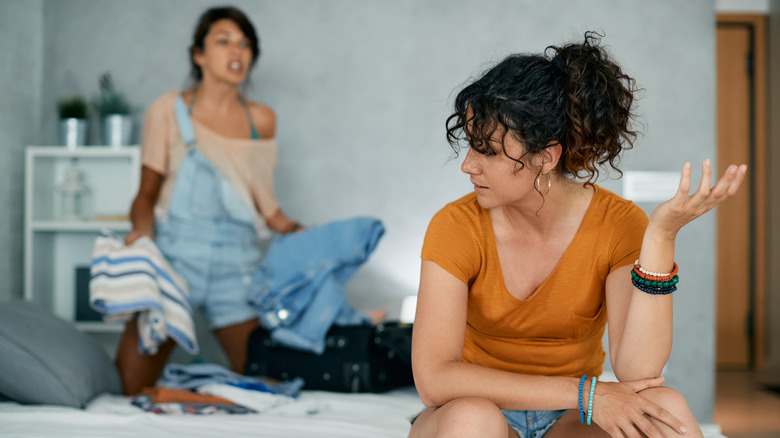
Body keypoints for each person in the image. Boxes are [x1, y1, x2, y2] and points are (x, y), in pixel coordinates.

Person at [409, 32, 747, 438]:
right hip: (477, 408)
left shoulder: (618, 223)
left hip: (569, 417)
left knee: (665, 406)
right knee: (471, 420)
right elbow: (434, 381)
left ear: (546, 157)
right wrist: (587, 394)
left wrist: (660, 236)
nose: (468, 165)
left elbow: (638, 371)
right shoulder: (455, 226)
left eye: (488, 150)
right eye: (470, 145)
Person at [116, 6, 303, 395]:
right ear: (199, 55)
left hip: (237, 268)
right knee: (129, 385)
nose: (237, 51)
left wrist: (302, 234)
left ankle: (191, 395)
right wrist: (142, 234)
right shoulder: (168, 109)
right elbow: (146, 192)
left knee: (266, 383)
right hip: (175, 259)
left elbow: (265, 205)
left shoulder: (261, 119)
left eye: (245, 43)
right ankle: (177, 395)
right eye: (223, 41)